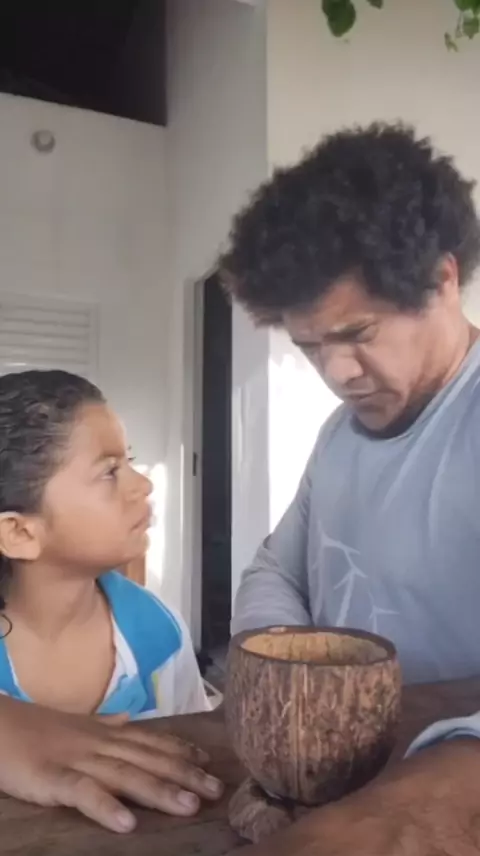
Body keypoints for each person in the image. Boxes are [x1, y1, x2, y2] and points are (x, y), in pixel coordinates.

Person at [220, 123, 480, 853]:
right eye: (310, 346)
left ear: (443, 279)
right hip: (338, 792)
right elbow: (278, 569)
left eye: (359, 332)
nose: (336, 374)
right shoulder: (339, 436)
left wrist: (427, 799)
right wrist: (289, 685)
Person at [0, 370, 223, 829]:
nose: (143, 485)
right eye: (109, 471)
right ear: (20, 532)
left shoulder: (158, 634)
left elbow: (194, 752)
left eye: (130, 460)